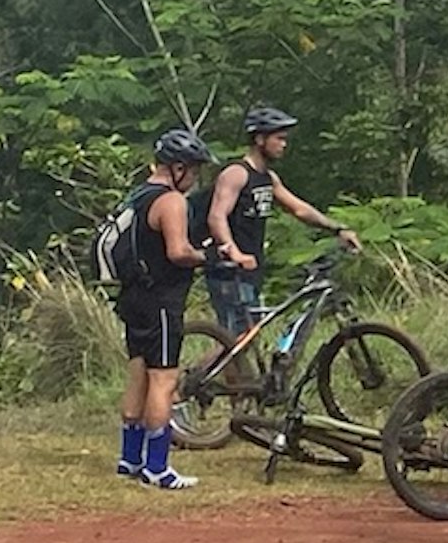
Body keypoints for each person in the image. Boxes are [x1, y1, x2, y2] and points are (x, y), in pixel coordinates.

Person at [200, 105, 360, 341]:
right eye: (279, 138)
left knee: (245, 339)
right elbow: (216, 217)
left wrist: (338, 228)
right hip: (229, 272)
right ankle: (199, 378)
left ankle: (231, 377)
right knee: (237, 342)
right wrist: (235, 253)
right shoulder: (236, 173)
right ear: (260, 139)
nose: (284, 144)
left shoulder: (267, 179)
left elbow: (299, 209)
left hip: (250, 270)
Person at [110, 127, 214, 490]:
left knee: (138, 372)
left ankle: (129, 458)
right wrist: (210, 258)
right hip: (161, 301)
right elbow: (178, 252)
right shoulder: (170, 201)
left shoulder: (137, 197)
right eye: (195, 170)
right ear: (178, 167)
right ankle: (157, 466)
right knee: (164, 379)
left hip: (133, 296)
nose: (196, 178)